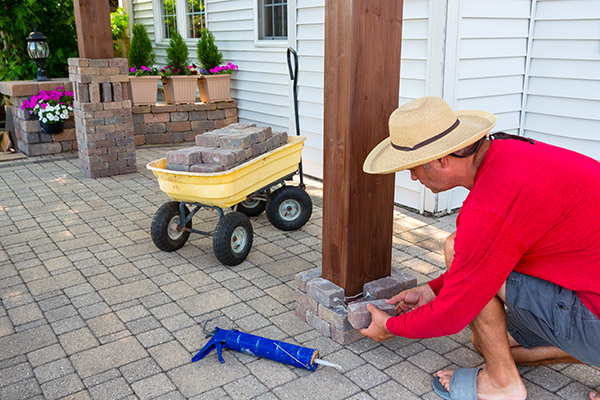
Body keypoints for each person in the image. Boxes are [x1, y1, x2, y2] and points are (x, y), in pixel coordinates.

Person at [360, 96, 600, 400]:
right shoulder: (511, 151)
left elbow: (453, 313)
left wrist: (391, 326)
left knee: (455, 246)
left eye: (414, 168)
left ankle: (503, 385)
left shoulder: (489, 208)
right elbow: (492, 254)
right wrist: (430, 290)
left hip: (595, 312)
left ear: (440, 161)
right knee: (486, 342)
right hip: (589, 290)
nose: (413, 177)